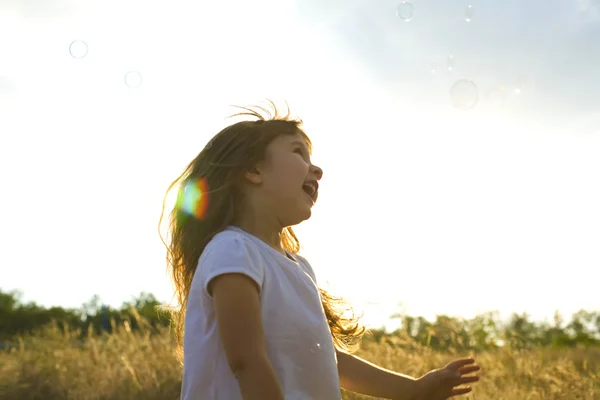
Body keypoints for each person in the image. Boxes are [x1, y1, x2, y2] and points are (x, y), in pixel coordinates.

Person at [159, 101, 480, 400]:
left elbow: (329, 359)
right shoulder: (233, 249)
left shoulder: (299, 267)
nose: (317, 171)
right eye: (299, 153)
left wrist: (415, 389)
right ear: (253, 170)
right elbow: (246, 361)